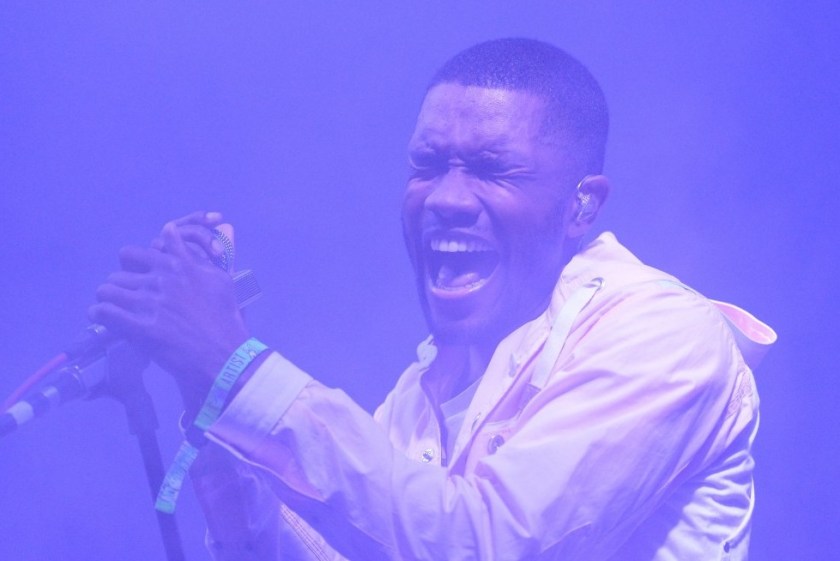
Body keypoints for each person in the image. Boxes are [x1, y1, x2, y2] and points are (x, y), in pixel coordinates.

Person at [90, 38, 776, 560]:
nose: (445, 198)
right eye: (426, 165)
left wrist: (234, 364)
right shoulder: (425, 391)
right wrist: (203, 384)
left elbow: (479, 542)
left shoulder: (663, 336)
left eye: (490, 168)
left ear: (581, 204)